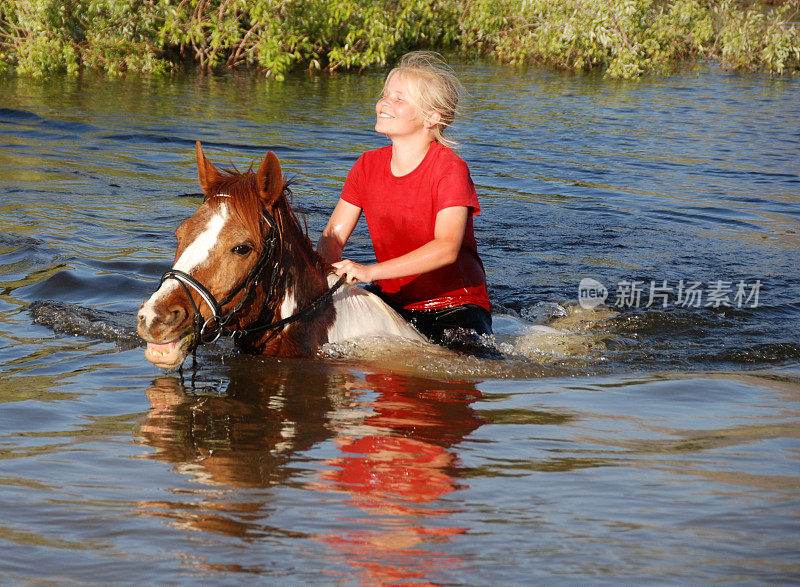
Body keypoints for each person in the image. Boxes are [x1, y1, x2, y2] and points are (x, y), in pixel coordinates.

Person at [317, 51, 492, 346]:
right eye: (385, 95)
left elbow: (447, 248)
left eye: (399, 99)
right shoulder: (365, 165)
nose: (384, 104)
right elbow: (333, 237)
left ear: (431, 117)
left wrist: (368, 271)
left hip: (453, 307)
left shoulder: (450, 169)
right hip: (393, 303)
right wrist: (321, 281)